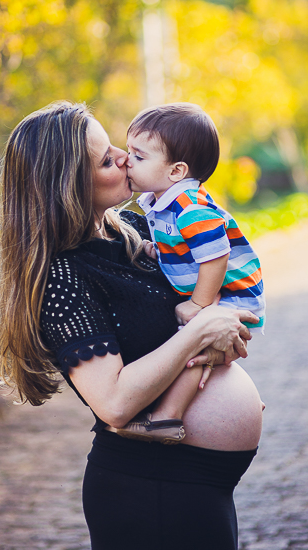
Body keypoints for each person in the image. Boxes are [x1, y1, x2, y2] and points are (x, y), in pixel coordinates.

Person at [0, 100, 264, 550]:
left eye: (116, 147)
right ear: (68, 187)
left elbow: (210, 279)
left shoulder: (137, 231)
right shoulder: (63, 276)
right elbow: (115, 403)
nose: (123, 158)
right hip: (152, 492)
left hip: (201, 486)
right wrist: (201, 331)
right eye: (105, 160)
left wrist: (222, 345)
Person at [114, 102, 265, 443]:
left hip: (232, 294)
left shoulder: (190, 207)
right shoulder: (164, 201)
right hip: (217, 293)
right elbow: (184, 245)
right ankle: (231, 400)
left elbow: (216, 257)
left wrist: (199, 304)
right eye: (128, 151)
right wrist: (157, 249)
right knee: (193, 345)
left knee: (192, 346)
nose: (127, 161)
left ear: (176, 171)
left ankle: (167, 418)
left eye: (138, 156)